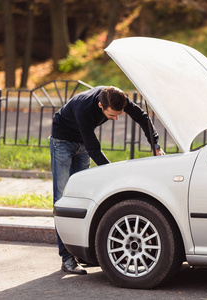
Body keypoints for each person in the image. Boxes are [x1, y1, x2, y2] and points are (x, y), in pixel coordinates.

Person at [49, 86, 165, 275]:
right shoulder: (83, 108)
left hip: (83, 143)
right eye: (112, 115)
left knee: (82, 197)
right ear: (100, 105)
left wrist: (155, 145)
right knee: (62, 197)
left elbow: (142, 117)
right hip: (63, 141)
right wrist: (114, 173)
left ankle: (81, 253)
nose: (116, 118)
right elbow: (94, 148)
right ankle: (67, 259)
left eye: (119, 114)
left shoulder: (117, 97)